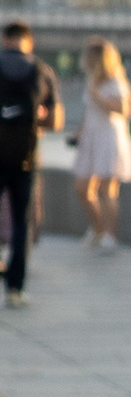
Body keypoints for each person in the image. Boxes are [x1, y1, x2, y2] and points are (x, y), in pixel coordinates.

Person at [0, 21, 64, 307]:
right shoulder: (41, 70)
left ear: (5, 40)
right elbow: (56, 121)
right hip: (27, 158)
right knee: (22, 221)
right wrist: (33, 120)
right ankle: (15, 289)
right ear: (29, 41)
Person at [72, 38, 131, 250]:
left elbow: (124, 110)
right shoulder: (91, 80)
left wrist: (98, 96)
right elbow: (89, 112)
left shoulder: (115, 81)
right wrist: (79, 133)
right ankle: (98, 229)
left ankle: (109, 235)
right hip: (91, 137)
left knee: (108, 188)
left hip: (108, 137)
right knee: (83, 186)